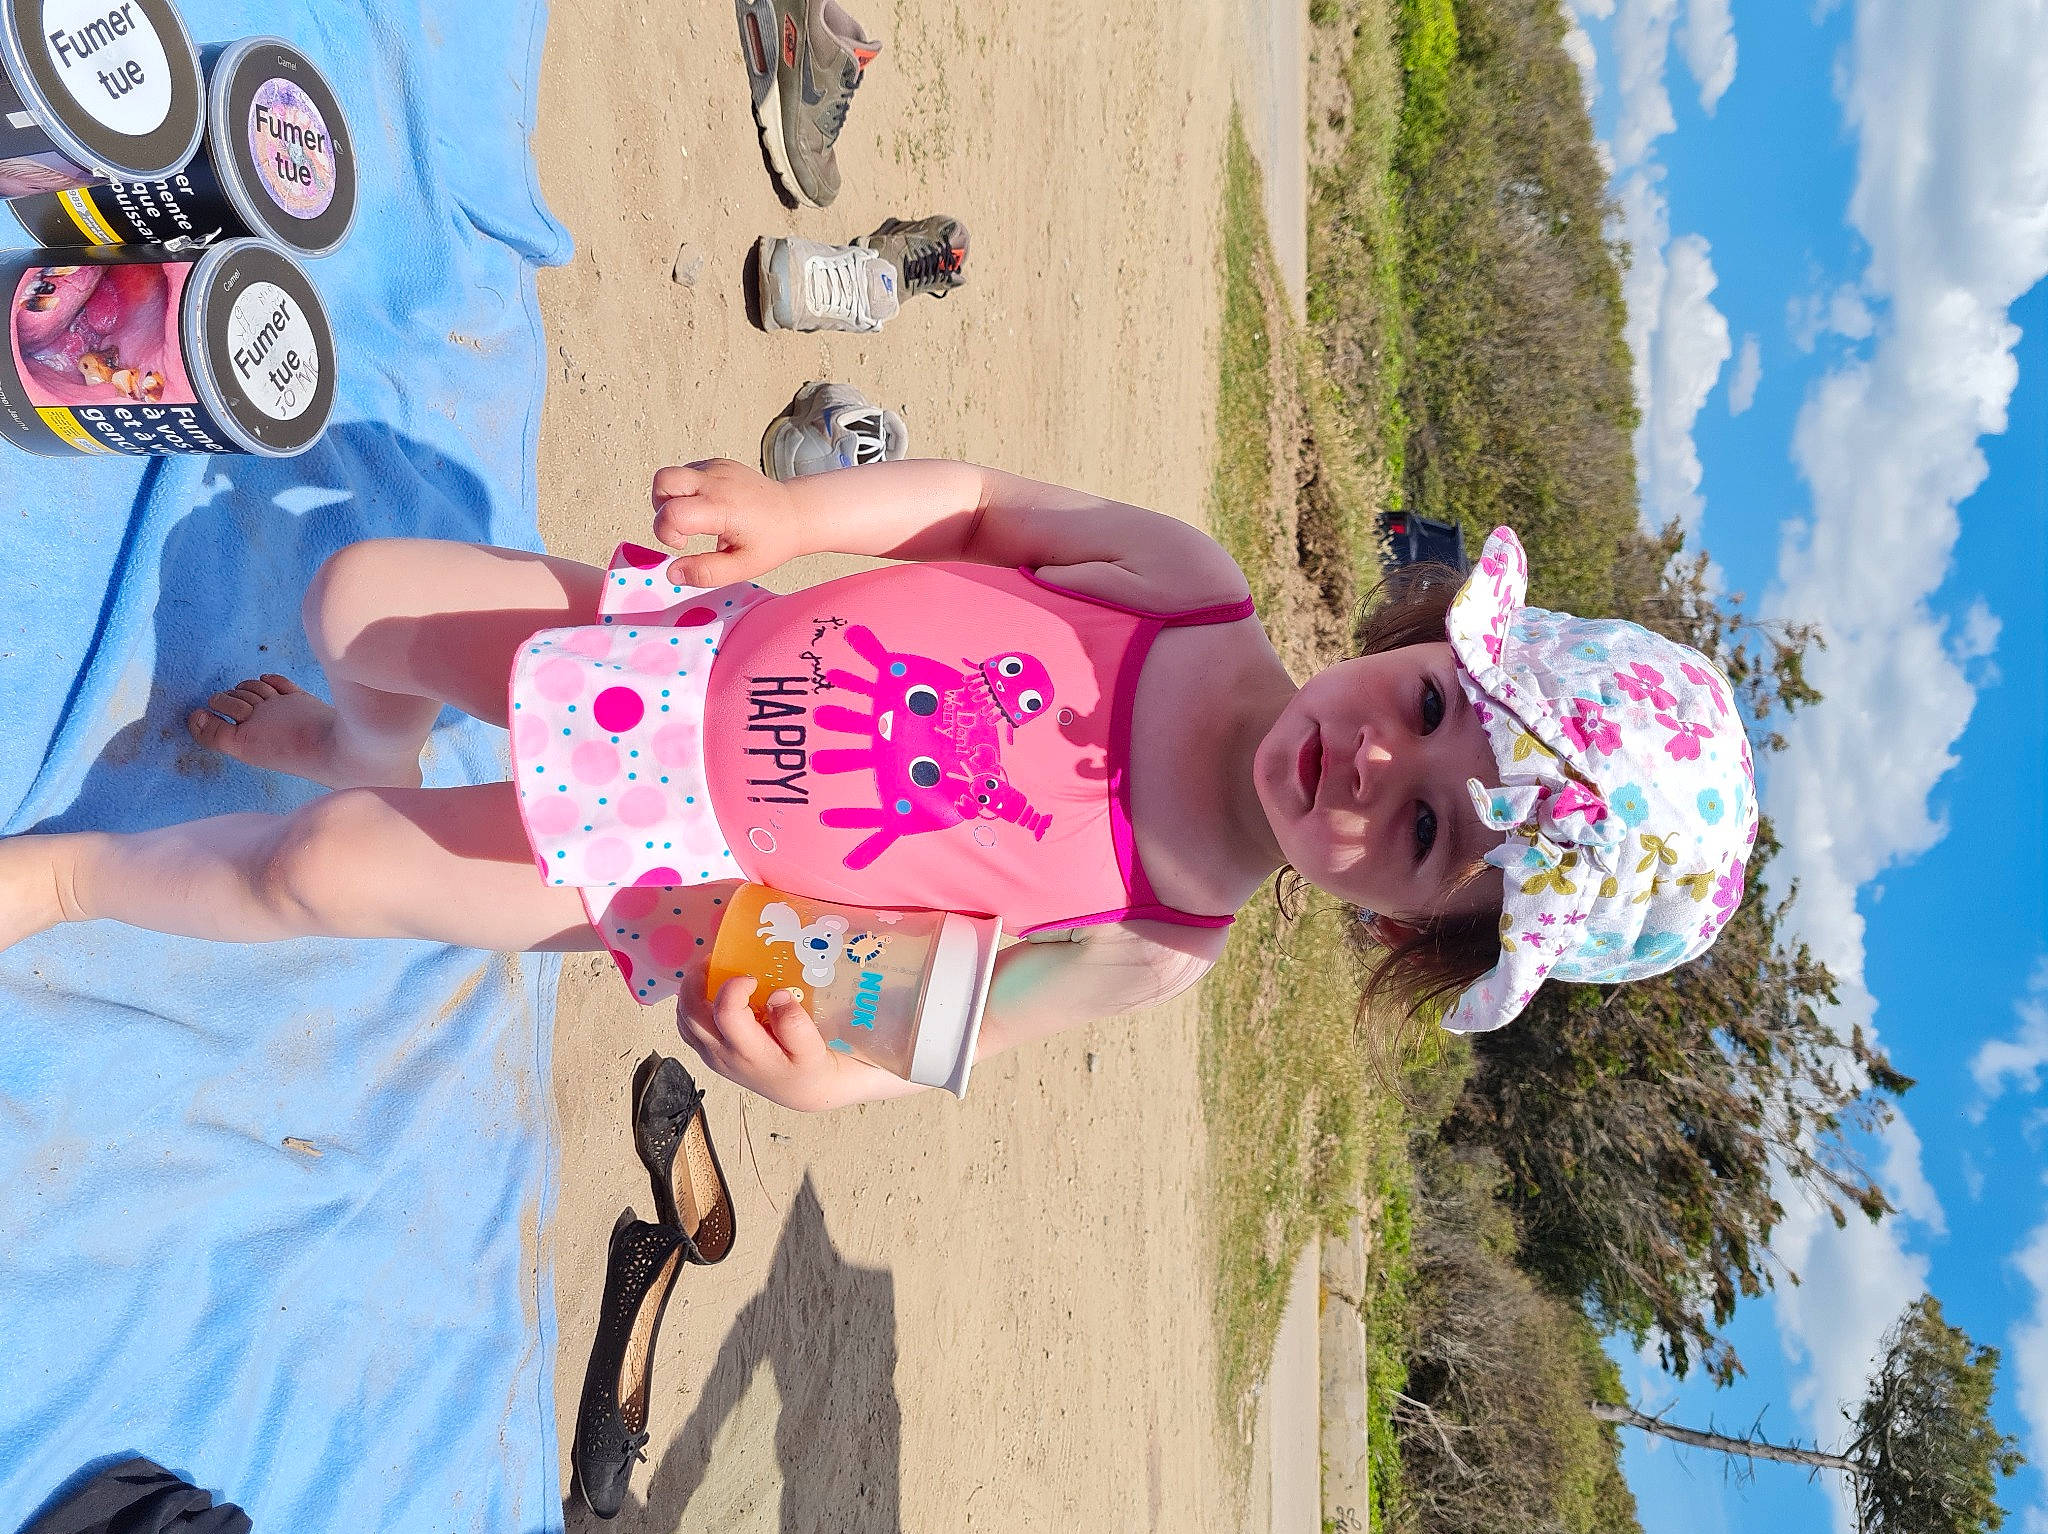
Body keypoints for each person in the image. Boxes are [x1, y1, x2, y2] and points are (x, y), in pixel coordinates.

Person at [0, 458, 1756, 1110]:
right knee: (353, 600)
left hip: (671, 862)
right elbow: (978, 510)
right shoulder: (1189, 589)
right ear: (1425, 636)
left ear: (1399, 925)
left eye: (1427, 826)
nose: (1379, 757)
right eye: (1439, 704)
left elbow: (937, 1022)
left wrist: (815, 1076)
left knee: (323, 869)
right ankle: (365, 734)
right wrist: (795, 518)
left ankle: (73, 880)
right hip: (684, 656)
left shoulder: (1159, 938)